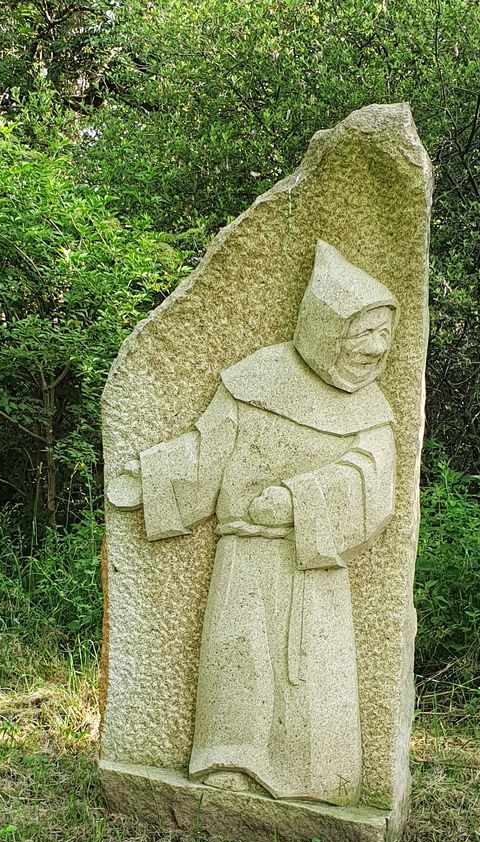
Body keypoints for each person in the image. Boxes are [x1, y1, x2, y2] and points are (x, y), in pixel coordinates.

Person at [107, 240, 397, 806]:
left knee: (311, 678)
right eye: (365, 332)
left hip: (314, 570)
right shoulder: (256, 377)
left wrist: (297, 499)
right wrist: (151, 480)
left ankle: (318, 779)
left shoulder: (371, 408)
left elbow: (372, 479)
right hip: (243, 559)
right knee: (240, 658)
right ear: (324, 326)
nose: (378, 347)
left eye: (385, 332)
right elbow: (206, 451)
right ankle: (229, 764)